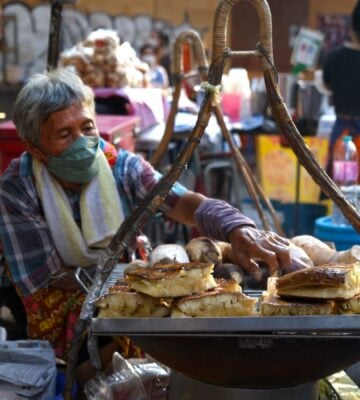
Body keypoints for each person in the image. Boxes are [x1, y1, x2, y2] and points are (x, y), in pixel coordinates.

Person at [0, 68, 291, 394]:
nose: (82, 143)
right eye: (65, 135)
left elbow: (183, 204)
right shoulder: (17, 188)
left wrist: (236, 227)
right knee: (120, 342)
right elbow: (50, 280)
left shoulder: (120, 166)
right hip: (58, 302)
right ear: (35, 148)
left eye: (87, 127)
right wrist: (141, 283)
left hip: (118, 284)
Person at [322, 0, 360, 180]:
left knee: (343, 191)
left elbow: (327, 85)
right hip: (349, 138)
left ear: (351, 27)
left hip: (343, 135)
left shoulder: (334, 58)